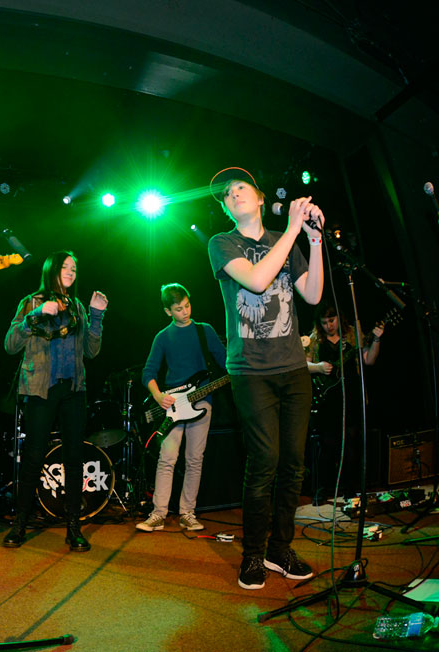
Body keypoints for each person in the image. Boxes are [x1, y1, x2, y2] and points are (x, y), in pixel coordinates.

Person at [206, 169, 324, 590]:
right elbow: (257, 282)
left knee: (293, 466)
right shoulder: (222, 243)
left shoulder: (284, 238)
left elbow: (311, 295)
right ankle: (253, 554)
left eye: (241, 188)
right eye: (227, 193)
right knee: (264, 464)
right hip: (251, 373)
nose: (233, 194)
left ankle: (280, 549)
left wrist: (312, 238)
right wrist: (293, 229)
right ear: (226, 208)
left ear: (258, 197)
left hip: (293, 369)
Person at [2, 251, 107, 552]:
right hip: (39, 389)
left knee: (74, 459)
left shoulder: (76, 307)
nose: (72, 272)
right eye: (66, 267)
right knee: (33, 457)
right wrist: (36, 316)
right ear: (52, 270)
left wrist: (97, 314)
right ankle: (20, 523)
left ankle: (73, 527)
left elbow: (91, 350)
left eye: (75, 268)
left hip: (73, 390)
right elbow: (9, 344)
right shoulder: (32, 302)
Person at [137, 283, 225, 533]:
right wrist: (157, 395)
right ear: (167, 311)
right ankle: (158, 514)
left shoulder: (204, 331)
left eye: (187, 306)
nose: (185, 312)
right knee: (167, 459)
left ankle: (188, 512)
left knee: (195, 459)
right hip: (173, 405)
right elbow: (148, 373)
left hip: (202, 403)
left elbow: (225, 359)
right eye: (178, 309)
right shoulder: (163, 336)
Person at [304, 303, 384, 497]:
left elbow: (369, 360)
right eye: (324, 323)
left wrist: (376, 340)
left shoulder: (352, 336)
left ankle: (351, 489)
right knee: (328, 444)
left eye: (331, 321)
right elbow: (303, 365)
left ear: (339, 319)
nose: (328, 326)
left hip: (351, 396)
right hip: (326, 400)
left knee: (350, 443)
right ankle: (324, 489)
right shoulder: (314, 340)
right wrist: (318, 367)